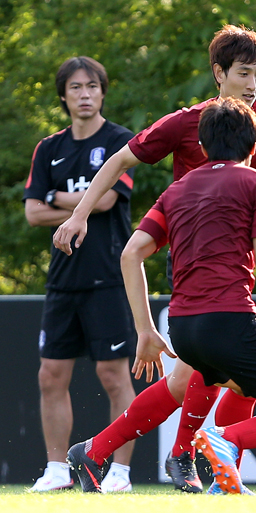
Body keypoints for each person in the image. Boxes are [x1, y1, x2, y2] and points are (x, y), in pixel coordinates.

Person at [53, 25, 256, 492]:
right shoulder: (190, 122)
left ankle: (129, 453)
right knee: (227, 368)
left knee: (210, 369)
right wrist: (80, 216)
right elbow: (119, 161)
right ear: (219, 73)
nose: (253, 84)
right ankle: (198, 454)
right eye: (244, 73)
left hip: (239, 264)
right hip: (198, 258)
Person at [23, 56, 137, 493]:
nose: (85, 94)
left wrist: (55, 195)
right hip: (62, 279)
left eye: (92, 86)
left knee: (113, 375)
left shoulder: (120, 141)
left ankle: (120, 473)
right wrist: (72, 197)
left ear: (103, 91)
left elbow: (107, 201)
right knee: (50, 374)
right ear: (64, 96)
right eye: (76, 88)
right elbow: (33, 213)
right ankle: (56, 470)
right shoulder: (48, 148)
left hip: (108, 276)